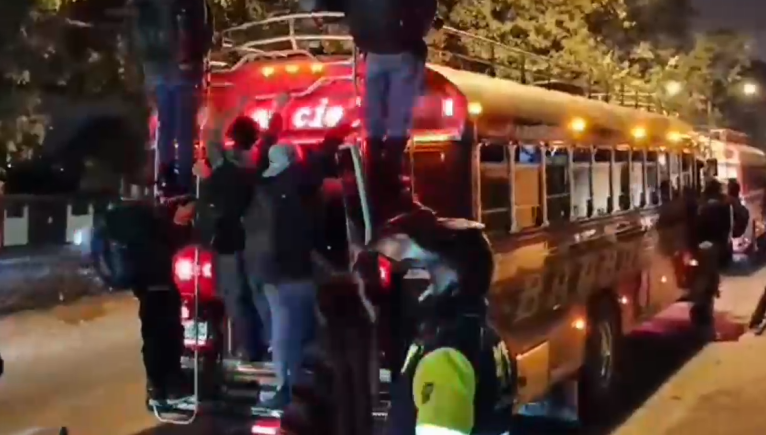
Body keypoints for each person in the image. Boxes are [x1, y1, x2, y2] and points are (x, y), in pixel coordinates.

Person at [243, 119, 353, 409]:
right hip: (302, 270)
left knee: (282, 332)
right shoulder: (305, 182)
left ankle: (286, 386)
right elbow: (322, 164)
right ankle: (300, 387)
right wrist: (337, 133)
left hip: (271, 273)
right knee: (306, 331)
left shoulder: (262, 186)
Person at [308, 0, 437, 223]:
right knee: (399, 115)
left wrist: (317, 10)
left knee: (374, 114)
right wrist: (419, 29)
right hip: (403, 49)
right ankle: (390, 174)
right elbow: (427, 10)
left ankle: (373, 167)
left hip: (373, 51)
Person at [192, 96, 288, 362]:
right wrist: (279, 107)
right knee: (261, 295)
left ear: (232, 139)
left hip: (228, 244)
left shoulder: (223, 166)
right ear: (253, 140)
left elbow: (211, 136)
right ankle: (272, 346)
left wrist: (238, 105)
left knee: (235, 298)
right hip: (256, 243)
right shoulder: (258, 165)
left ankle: (249, 348)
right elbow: (270, 137)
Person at [90, 196, 195, 405]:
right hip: (162, 281)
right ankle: (172, 384)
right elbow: (179, 243)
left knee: (152, 333)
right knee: (168, 333)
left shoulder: (134, 222)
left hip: (144, 284)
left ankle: (155, 386)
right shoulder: (161, 222)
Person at [131, 0, 214, 195]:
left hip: (157, 70)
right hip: (183, 68)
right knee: (183, 128)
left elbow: (138, 35)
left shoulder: (145, 6)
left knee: (166, 125)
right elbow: (204, 34)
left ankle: (166, 174)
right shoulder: (192, 5)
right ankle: (183, 179)